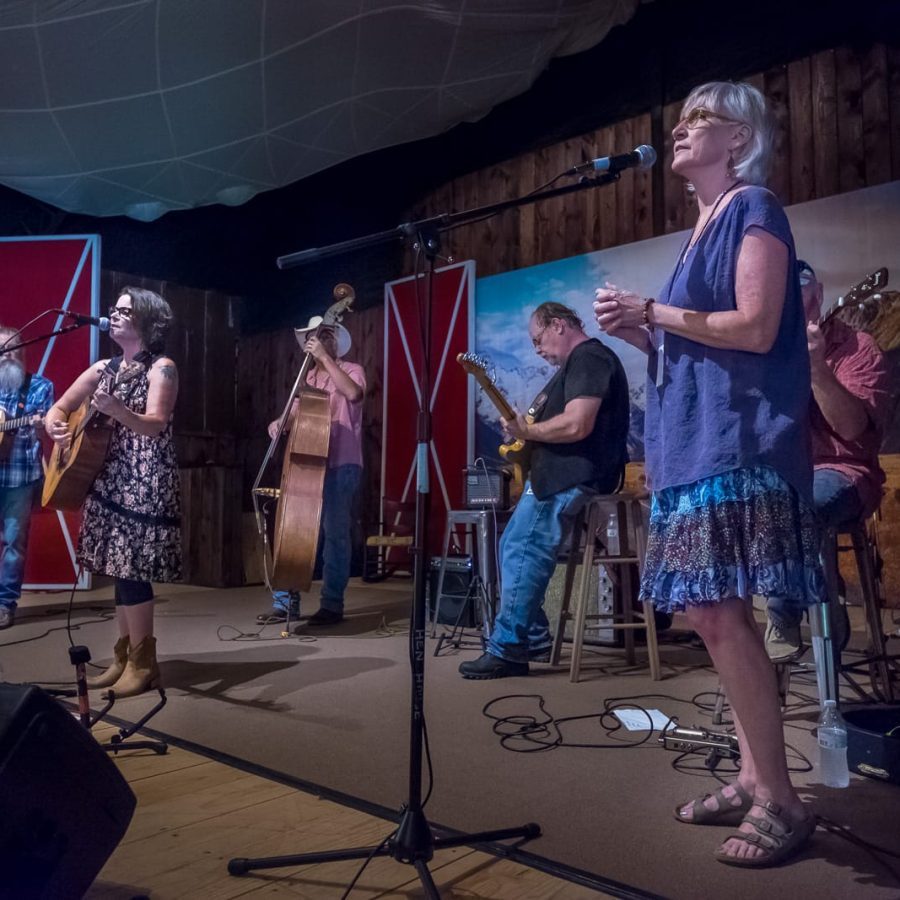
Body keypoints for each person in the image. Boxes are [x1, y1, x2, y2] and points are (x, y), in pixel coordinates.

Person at [594, 81, 822, 868]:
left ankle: (783, 800)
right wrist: (642, 332)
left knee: (721, 614)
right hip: (691, 445)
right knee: (705, 614)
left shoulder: (755, 205)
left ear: (739, 139)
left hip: (737, 441)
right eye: (682, 118)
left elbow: (757, 329)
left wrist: (651, 312)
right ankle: (755, 775)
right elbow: (695, 345)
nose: (683, 130)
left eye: (702, 120)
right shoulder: (701, 230)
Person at [458, 301, 630, 679]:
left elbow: (577, 426)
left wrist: (529, 432)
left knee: (522, 547)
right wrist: (527, 434)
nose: (537, 349)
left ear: (558, 325)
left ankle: (508, 649)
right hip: (557, 474)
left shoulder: (589, 357)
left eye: (538, 340)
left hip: (571, 475)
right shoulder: (576, 365)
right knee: (512, 546)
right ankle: (533, 638)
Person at [45, 288, 181, 697]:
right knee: (118, 567)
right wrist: (54, 424)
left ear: (146, 321)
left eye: (125, 311)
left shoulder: (162, 367)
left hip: (144, 476)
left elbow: (155, 423)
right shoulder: (102, 367)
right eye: (114, 310)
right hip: (107, 476)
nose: (115, 316)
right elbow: (60, 406)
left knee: (133, 569)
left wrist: (117, 410)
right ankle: (123, 657)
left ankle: (143, 663)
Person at [765, 259, 890, 660]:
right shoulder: (765, 351)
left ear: (818, 295)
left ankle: (781, 614)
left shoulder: (857, 348)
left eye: (796, 289)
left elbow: (853, 430)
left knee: (798, 505)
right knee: (737, 504)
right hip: (784, 473)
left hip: (842, 470)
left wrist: (817, 368)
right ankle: (824, 603)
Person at [257, 317, 365, 627]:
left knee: (335, 537)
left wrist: (325, 360)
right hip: (307, 464)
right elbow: (290, 416)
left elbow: (354, 394)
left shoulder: (352, 369)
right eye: (313, 336)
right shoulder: (306, 382)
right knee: (294, 532)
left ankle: (332, 604)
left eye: (324, 335)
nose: (317, 340)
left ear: (334, 341)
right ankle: (285, 602)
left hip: (341, 464)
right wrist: (278, 424)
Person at [0, 327, 54, 629]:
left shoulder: (39, 387)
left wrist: (41, 426)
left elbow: (47, 427)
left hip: (19, 477)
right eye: (3, 349)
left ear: (24, 350)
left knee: (13, 545)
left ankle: (5, 604)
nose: (9, 354)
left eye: (14, 348)